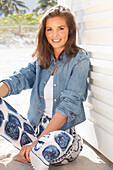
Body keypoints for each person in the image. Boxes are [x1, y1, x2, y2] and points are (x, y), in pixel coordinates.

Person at [0, 5, 90, 170]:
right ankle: (31, 153)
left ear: (70, 30)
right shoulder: (43, 58)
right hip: (32, 133)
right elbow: (19, 79)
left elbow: (68, 105)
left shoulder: (79, 60)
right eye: (49, 29)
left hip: (60, 137)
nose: (54, 35)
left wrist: (37, 142)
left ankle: (33, 154)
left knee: (53, 141)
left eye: (60, 28)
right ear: (44, 32)